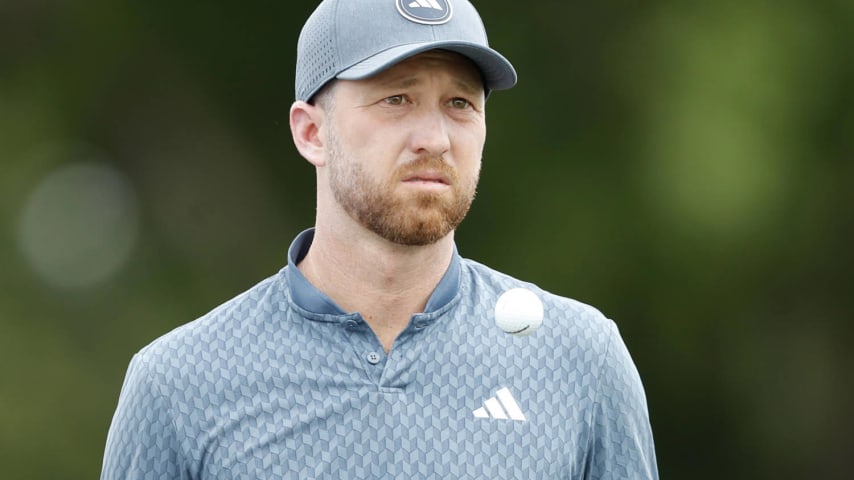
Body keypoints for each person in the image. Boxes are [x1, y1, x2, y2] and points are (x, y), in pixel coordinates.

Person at [101, 0, 658, 478]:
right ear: (311, 131)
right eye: (397, 99)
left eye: (460, 103)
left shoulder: (580, 360)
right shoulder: (179, 385)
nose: (435, 138)